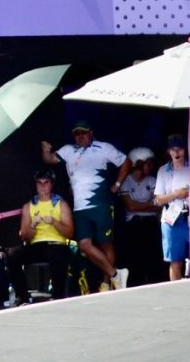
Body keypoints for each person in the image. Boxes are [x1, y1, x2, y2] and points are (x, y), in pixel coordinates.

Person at [41, 120, 130, 291]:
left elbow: (126, 162)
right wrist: (45, 149)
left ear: (91, 132)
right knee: (84, 245)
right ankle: (115, 274)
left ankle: (106, 283)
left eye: (83, 132)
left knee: (105, 244)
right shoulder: (68, 150)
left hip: (101, 203)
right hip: (79, 208)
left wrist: (117, 185)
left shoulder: (103, 147)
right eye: (77, 133)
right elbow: (49, 159)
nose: (80, 136)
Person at [6, 168, 74, 305]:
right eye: (39, 183)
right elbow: (24, 236)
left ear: (51, 184)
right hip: (37, 245)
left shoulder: (61, 204)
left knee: (57, 256)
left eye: (46, 183)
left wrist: (55, 222)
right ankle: (23, 297)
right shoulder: (28, 206)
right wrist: (33, 225)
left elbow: (70, 233)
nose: (43, 186)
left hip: (56, 244)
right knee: (13, 257)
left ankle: (58, 297)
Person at [153, 134, 190, 281]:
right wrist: (177, 194)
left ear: (185, 150)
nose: (176, 153)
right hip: (172, 218)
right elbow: (158, 199)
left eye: (180, 149)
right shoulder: (163, 171)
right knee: (175, 261)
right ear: (169, 152)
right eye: (173, 150)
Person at [119, 148, 162, 285]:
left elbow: (158, 203)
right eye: (147, 163)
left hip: (150, 222)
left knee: (152, 255)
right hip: (133, 224)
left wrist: (139, 205)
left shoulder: (152, 180)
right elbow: (130, 206)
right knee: (134, 256)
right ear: (138, 164)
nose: (151, 166)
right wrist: (149, 204)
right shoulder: (126, 181)